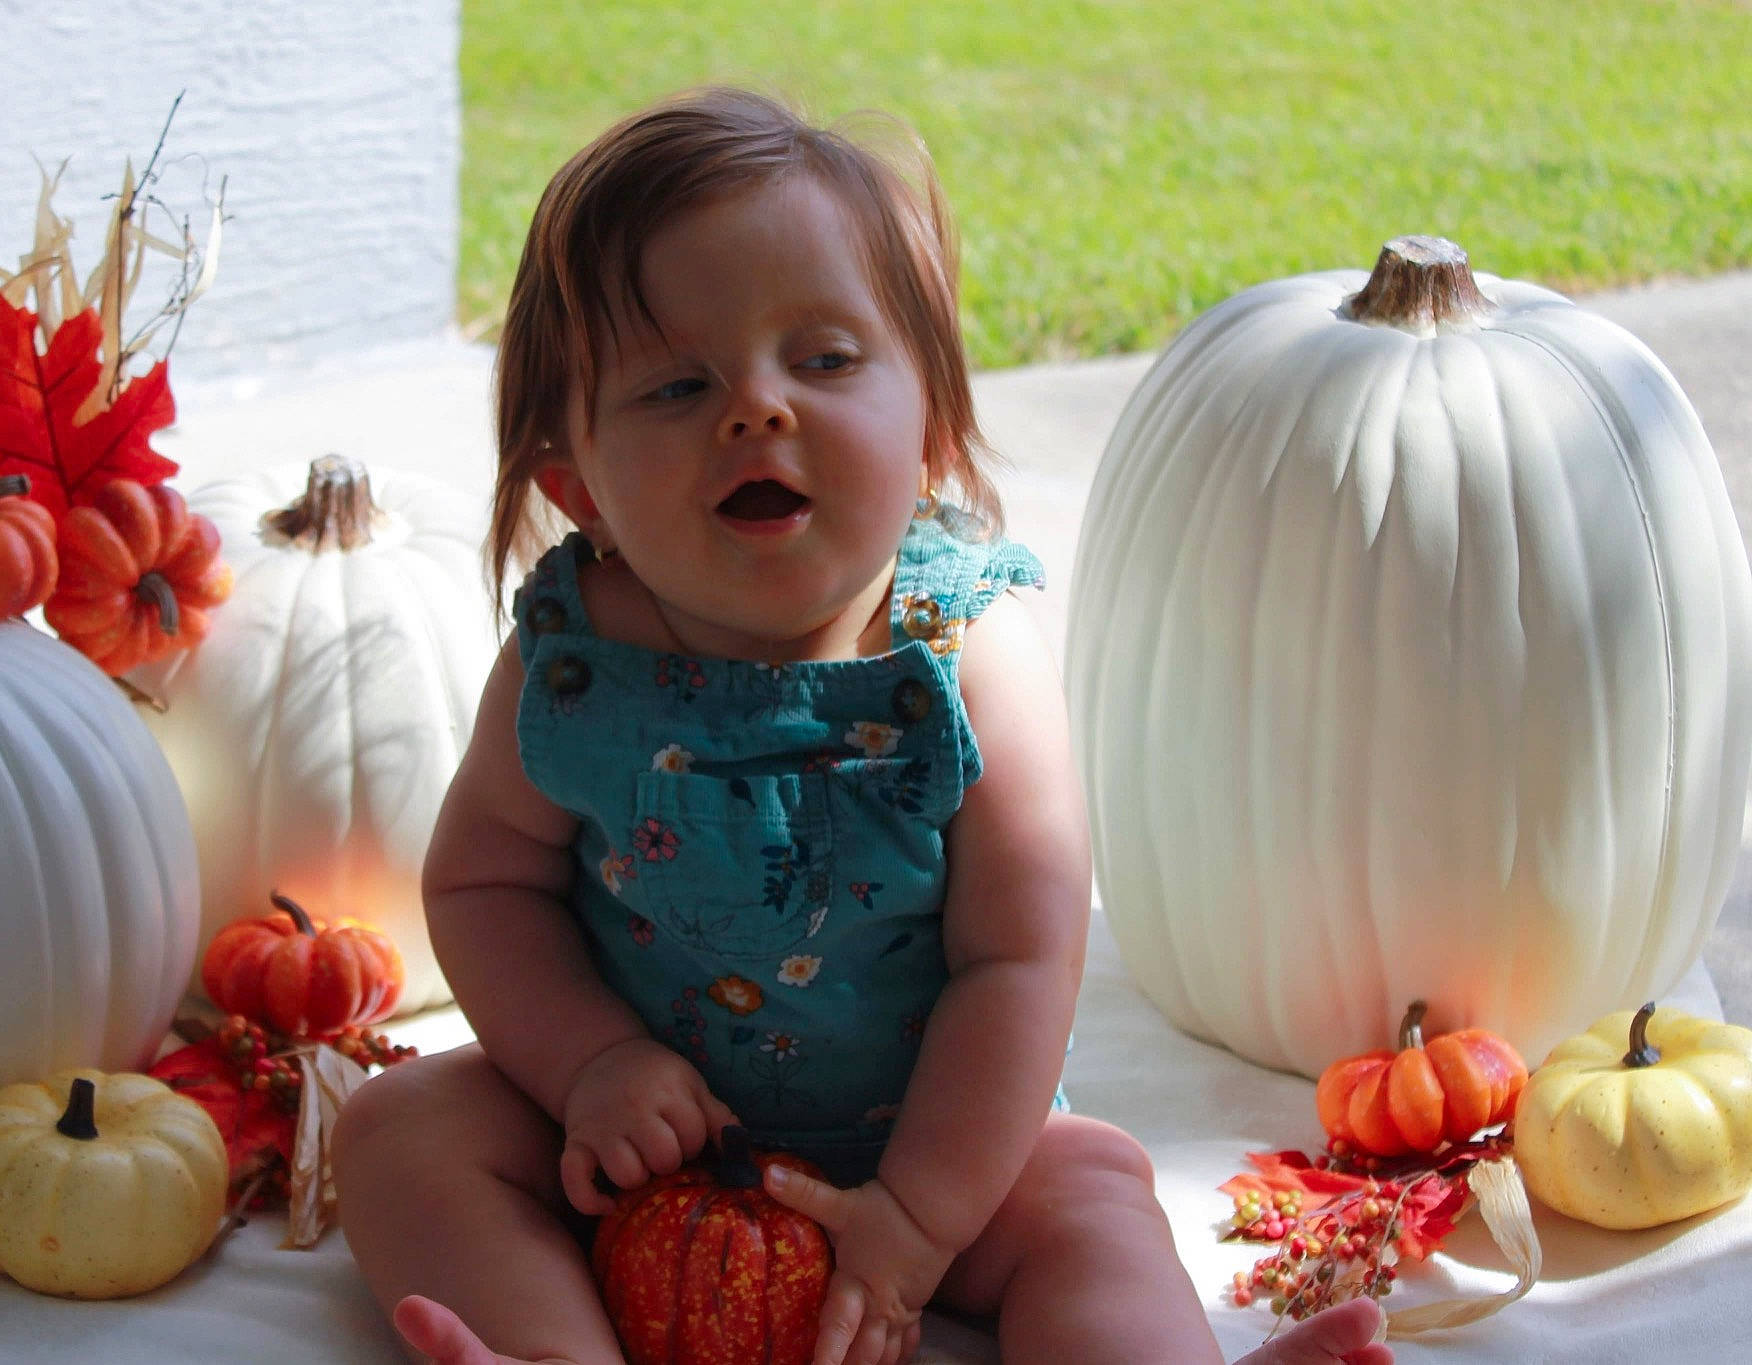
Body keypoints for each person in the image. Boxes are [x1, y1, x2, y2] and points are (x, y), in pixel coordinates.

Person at [331, 87, 1391, 1365]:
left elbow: (1021, 955)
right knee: (399, 1133)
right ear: (578, 486)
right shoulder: (569, 660)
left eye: (824, 361)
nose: (755, 409)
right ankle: (552, 1353)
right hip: (643, 1161)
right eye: (676, 385)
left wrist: (920, 1215)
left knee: (1091, 1199)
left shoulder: (961, 653)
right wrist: (587, 1068)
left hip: (935, 1141)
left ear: (932, 427)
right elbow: (485, 878)